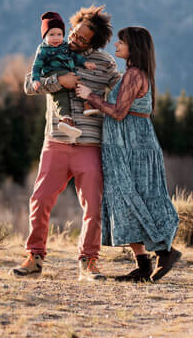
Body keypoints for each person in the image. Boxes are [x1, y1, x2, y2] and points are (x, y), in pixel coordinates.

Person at [12, 5, 120, 282]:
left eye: (82, 39)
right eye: (74, 32)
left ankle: (89, 261)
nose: (74, 39)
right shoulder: (53, 50)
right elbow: (28, 85)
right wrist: (60, 81)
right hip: (56, 142)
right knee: (40, 199)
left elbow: (122, 97)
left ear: (94, 42)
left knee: (93, 206)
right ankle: (34, 257)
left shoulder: (106, 63)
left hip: (90, 144)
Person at [76, 26, 181, 282]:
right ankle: (143, 263)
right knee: (124, 199)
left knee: (134, 198)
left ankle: (164, 251)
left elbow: (120, 112)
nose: (116, 46)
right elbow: (120, 109)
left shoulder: (134, 74)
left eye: (121, 42)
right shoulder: (132, 74)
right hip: (123, 144)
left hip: (132, 147)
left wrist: (90, 96)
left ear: (133, 46)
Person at [30, 10, 96, 141]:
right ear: (44, 36)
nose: (56, 38)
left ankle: (87, 104)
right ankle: (66, 119)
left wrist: (85, 63)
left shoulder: (65, 46)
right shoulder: (43, 50)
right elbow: (36, 66)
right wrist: (35, 79)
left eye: (59, 34)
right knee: (61, 98)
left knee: (80, 85)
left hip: (70, 74)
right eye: (51, 34)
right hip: (53, 75)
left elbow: (75, 57)